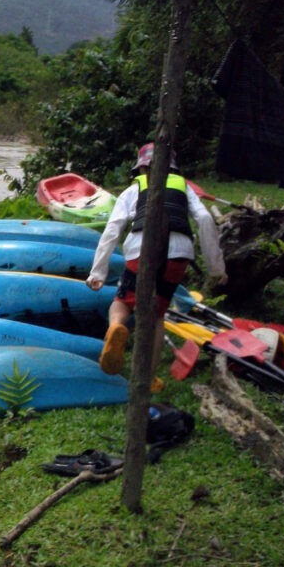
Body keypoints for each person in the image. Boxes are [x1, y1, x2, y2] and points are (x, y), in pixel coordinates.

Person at [86, 142, 228, 387]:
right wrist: (216, 268)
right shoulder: (183, 187)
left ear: (141, 169)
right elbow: (205, 218)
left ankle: (116, 328)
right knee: (156, 316)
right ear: (172, 168)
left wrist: (98, 271)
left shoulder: (133, 190)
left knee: (121, 303)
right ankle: (148, 378)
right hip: (178, 253)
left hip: (140, 250)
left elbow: (113, 229)